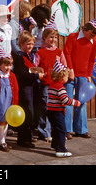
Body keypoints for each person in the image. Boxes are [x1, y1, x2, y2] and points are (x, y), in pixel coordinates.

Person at [63, 15, 96, 139]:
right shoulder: (73, 37)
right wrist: (70, 70)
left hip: (83, 75)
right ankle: (66, 129)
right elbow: (67, 53)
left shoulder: (93, 43)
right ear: (85, 29)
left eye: (94, 35)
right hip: (70, 74)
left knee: (81, 101)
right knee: (68, 101)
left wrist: (89, 75)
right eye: (91, 34)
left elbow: (91, 60)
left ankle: (81, 129)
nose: (92, 37)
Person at [35, 13, 67, 142]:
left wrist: (64, 76)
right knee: (45, 108)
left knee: (56, 108)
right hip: (45, 85)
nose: (52, 40)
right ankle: (44, 131)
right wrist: (39, 74)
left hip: (58, 86)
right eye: (50, 37)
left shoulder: (59, 52)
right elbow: (35, 67)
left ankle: (55, 129)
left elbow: (65, 66)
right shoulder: (40, 52)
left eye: (54, 37)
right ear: (44, 37)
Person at [12, 30, 44, 148]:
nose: (30, 46)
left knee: (31, 113)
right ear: (21, 44)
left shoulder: (29, 55)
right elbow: (23, 74)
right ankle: (23, 139)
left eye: (32, 44)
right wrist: (36, 75)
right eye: (28, 44)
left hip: (31, 88)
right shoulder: (20, 57)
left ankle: (28, 136)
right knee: (26, 114)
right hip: (25, 89)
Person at [47, 59, 81, 158]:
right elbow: (65, 100)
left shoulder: (51, 85)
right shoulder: (60, 88)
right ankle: (61, 149)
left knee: (55, 129)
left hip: (50, 111)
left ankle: (54, 144)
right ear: (62, 77)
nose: (67, 78)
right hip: (57, 112)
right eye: (66, 76)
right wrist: (75, 102)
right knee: (62, 130)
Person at [0, 49, 19, 152]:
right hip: (1, 101)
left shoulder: (12, 75)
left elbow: (16, 89)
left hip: (10, 100)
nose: (8, 68)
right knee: (1, 121)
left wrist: (15, 102)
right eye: (6, 65)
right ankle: (1, 141)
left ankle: (3, 140)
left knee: (7, 120)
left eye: (10, 65)